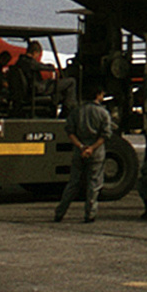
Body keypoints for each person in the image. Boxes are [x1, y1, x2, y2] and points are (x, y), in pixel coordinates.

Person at [53, 84, 115, 223]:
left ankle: (60, 212)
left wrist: (81, 147)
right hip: (96, 151)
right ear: (98, 95)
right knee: (94, 184)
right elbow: (105, 135)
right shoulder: (103, 113)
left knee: (73, 183)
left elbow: (70, 132)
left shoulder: (76, 111)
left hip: (79, 151)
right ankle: (90, 214)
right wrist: (91, 148)